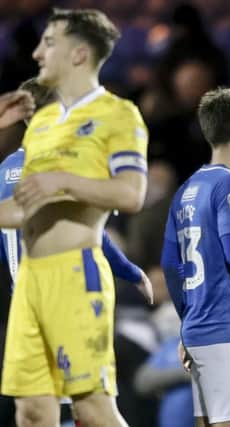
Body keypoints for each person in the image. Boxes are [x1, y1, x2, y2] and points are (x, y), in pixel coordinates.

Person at [0, 8, 150, 426]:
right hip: (29, 281)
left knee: (92, 408)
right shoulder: (43, 124)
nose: (35, 53)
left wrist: (62, 181)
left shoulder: (117, 115)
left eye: (49, 43)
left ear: (80, 54)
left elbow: (131, 194)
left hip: (74, 275)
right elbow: (17, 210)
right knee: (30, 412)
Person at [161, 88, 230, 427]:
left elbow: (169, 264)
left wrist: (188, 319)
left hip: (196, 330)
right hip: (224, 328)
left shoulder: (186, 189)